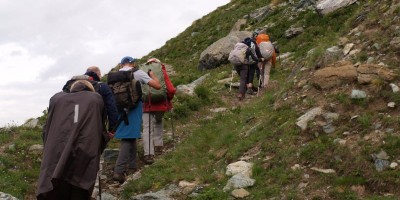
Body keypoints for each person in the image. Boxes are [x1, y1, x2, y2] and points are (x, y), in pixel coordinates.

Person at [37, 80, 111, 200]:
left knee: (55, 190)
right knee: (79, 189)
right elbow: (101, 131)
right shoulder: (96, 100)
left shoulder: (57, 100)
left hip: (55, 156)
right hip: (84, 155)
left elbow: (46, 131)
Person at [113, 56, 161, 183]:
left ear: (121, 64)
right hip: (134, 107)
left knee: (131, 134)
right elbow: (157, 86)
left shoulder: (115, 76)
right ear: (132, 63)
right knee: (128, 138)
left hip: (119, 109)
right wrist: (152, 75)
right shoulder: (138, 73)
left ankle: (133, 166)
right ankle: (118, 171)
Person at [61, 66, 119, 133]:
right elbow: (111, 108)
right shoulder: (102, 86)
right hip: (95, 127)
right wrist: (112, 129)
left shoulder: (70, 86)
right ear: (98, 74)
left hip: (70, 127)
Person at [142, 58, 176, 164]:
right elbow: (170, 89)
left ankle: (148, 154)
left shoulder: (142, 71)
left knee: (147, 129)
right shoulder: (161, 71)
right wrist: (168, 99)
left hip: (147, 104)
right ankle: (158, 147)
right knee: (158, 122)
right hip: (161, 104)